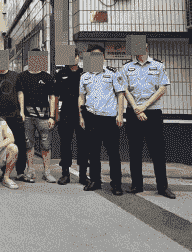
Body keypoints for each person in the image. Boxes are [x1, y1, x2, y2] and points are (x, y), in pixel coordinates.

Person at [119, 42, 175, 199]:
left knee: (157, 151)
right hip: (133, 113)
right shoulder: (127, 67)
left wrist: (144, 106)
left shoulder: (158, 65)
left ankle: (162, 187)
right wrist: (137, 108)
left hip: (153, 113)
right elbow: (124, 89)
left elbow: (162, 89)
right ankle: (136, 185)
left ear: (146, 47)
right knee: (134, 150)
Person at [79, 45, 125, 196]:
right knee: (93, 152)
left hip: (109, 119)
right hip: (91, 118)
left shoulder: (112, 74)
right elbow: (81, 97)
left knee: (113, 153)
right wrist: (81, 116)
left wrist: (120, 114)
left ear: (103, 57)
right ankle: (95, 181)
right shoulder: (85, 76)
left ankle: (116, 184)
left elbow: (120, 94)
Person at [18, 48, 57, 183]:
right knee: (29, 144)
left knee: (46, 145)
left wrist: (52, 116)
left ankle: (47, 172)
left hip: (44, 117)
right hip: (28, 117)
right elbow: (21, 95)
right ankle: (30, 171)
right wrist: (21, 112)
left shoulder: (47, 77)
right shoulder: (22, 76)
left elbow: (52, 97)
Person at [0, 66, 27, 182]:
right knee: (2, 144)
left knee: (20, 143)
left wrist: (22, 111)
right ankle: (5, 172)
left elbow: (20, 94)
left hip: (15, 115)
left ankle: (20, 172)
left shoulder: (15, 75)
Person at [55, 48, 90, 186]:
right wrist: (55, 115)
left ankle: (83, 175)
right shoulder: (61, 74)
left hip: (82, 112)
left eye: (74, 56)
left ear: (78, 57)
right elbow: (56, 94)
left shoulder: (85, 73)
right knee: (65, 143)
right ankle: (65, 174)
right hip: (66, 112)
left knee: (84, 144)